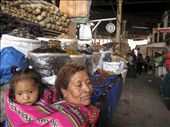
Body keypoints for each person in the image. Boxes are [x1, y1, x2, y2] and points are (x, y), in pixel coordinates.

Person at [55, 61, 100, 126]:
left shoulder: (91, 111)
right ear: (64, 91)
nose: (87, 89)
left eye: (88, 82)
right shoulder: (66, 120)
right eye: (79, 85)